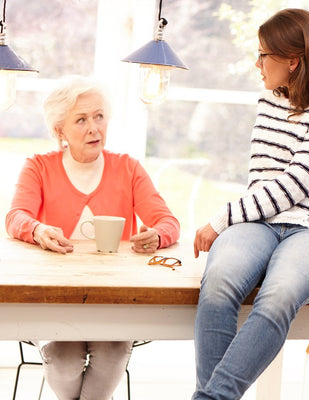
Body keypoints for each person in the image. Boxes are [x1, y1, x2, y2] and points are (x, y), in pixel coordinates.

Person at [191, 8, 309, 400]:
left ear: (293, 60)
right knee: (216, 286)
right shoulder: (269, 104)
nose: (257, 63)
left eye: (264, 54)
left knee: (279, 294)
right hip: (262, 222)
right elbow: (263, 183)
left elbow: (296, 184)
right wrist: (236, 221)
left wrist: (222, 219)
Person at [5, 76, 180, 400]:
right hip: (54, 298)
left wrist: (158, 235)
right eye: (81, 119)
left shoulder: (127, 168)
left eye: (99, 116)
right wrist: (38, 230)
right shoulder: (38, 168)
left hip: (113, 299)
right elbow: (15, 217)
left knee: (113, 351)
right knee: (63, 357)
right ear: (60, 131)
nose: (94, 128)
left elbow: (168, 221)